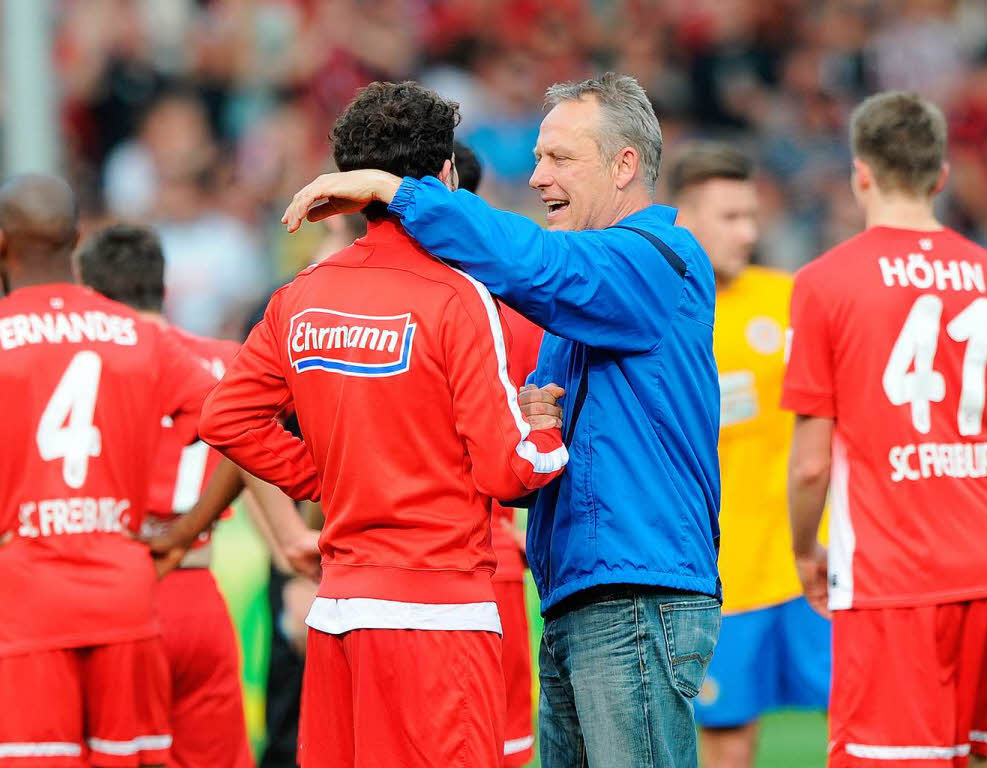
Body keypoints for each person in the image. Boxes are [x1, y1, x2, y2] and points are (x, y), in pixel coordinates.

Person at [282, 71, 722, 768]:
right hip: (585, 590)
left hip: (636, 594)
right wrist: (530, 422)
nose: (538, 174)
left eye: (559, 158)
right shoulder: (588, 302)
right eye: (540, 156)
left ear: (625, 164)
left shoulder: (656, 260)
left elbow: (536, 265)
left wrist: (401, 191)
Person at [199, 81, 569, 768]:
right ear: (447, 177)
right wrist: (548, 433)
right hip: (438, 613)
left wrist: (324, 479)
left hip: (339, 614)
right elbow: (507, 469)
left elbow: (226, 417)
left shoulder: (298, 296)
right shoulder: (458, 296)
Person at [783, 90, 987, 768]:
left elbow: (811, 464)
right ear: (941, 176)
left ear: (860, 172)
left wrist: (803, 549)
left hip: (891, 576)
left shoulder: (826, 282)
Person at [0, 175, 215, 767]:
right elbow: (238, 420)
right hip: (125, 596)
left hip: (21, 602)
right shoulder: (138, 336)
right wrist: (184, 531)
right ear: (75, 240)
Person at [75, 224, 320, 768]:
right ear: (161, 289)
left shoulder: (91, 363)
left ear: (90, 298)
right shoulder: (225, 360)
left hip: (123, 594)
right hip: (202, 600)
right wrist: (294, 548)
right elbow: (255, 461)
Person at [669, 143, 830, 768]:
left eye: (752, 215)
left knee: (862, 722)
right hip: (723, 578)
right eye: (731, 217)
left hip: (816, 568)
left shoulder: (793, 297)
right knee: (730, 739)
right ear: (683, 219)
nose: (751, 231)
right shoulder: (663, 312)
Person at [457, 138, 542, 766]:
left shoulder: (338, 298)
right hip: (490, 558)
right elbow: (543, 434)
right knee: (502, 744)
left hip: (374, 567)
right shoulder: (519, 312)